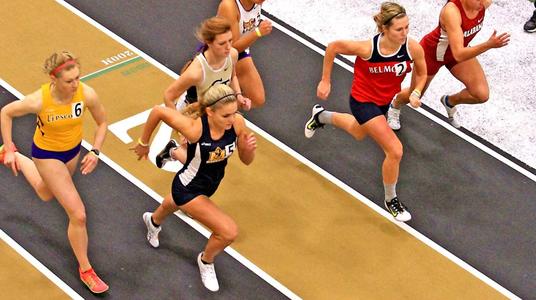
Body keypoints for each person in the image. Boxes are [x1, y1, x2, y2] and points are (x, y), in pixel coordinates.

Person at [304, 2, 427, 222]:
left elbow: (421, 70)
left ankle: (320, 116)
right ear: (385, 29)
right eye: (399, 29)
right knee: (395, 150)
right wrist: (325, 80)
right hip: (362, 101)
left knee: (357, 131)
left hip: (382, 103)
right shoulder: (368, 49)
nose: (405, 33)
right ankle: (391, 200)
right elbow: (333, 47)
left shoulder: (411, 47)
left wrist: (416, 91)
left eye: (407, 27)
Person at [0, 51, 109, 293]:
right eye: (69, 81)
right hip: (47, 156)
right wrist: (9, 145)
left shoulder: (86, 94)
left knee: (45, 192)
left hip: (72, 152)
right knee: (78, 214)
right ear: (54, 79)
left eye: (77, 78)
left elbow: (102, 122)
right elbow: (6, 112)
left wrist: (96, 151)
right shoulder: (39, 100)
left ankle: (16, 158)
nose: (75, 85)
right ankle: (86, 270)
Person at [131, 84, 257, 292]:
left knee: (171, 203)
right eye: (226, 115)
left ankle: (153, 221)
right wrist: (143, 142)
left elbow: (246, 160)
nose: (232, 119)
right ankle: (206, 261)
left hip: (209, 182)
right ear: (210, 111)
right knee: (228, 232)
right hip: (188, 188)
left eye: (234, 113)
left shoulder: (237, 123)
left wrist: (247, 149)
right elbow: (158, 111)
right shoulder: (195, 129)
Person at [387, 0, 510, 130]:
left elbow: (457, 53)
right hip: (432, 54)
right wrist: (488, 45)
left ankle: (449, 102)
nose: (484, 2)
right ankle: (395, 105)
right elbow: (459, 54)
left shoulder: (483, 4)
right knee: (414, 93)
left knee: (481, 94)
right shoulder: (452, 12)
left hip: (457, 52)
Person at [155, 16, 251, 168]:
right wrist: (181, 130)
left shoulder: (232, 55)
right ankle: (173, 151)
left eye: (230, 41)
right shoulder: (196, 71)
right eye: (222, 43)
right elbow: (168, 96)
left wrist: (239, 95)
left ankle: (172, 151)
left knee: (208, 160)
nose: (228, 47)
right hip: (194, 113)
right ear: (209, 43)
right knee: (200, 165)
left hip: (216, 111)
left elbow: (232, 76)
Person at [217, 0, 272, 108]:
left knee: (257, 98)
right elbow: (232, 48)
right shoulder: (229, 6)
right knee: (201, 93)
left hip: (240, 52)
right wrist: (257, 32)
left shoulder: (256, 2)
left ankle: (219, 110)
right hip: (220, 54)